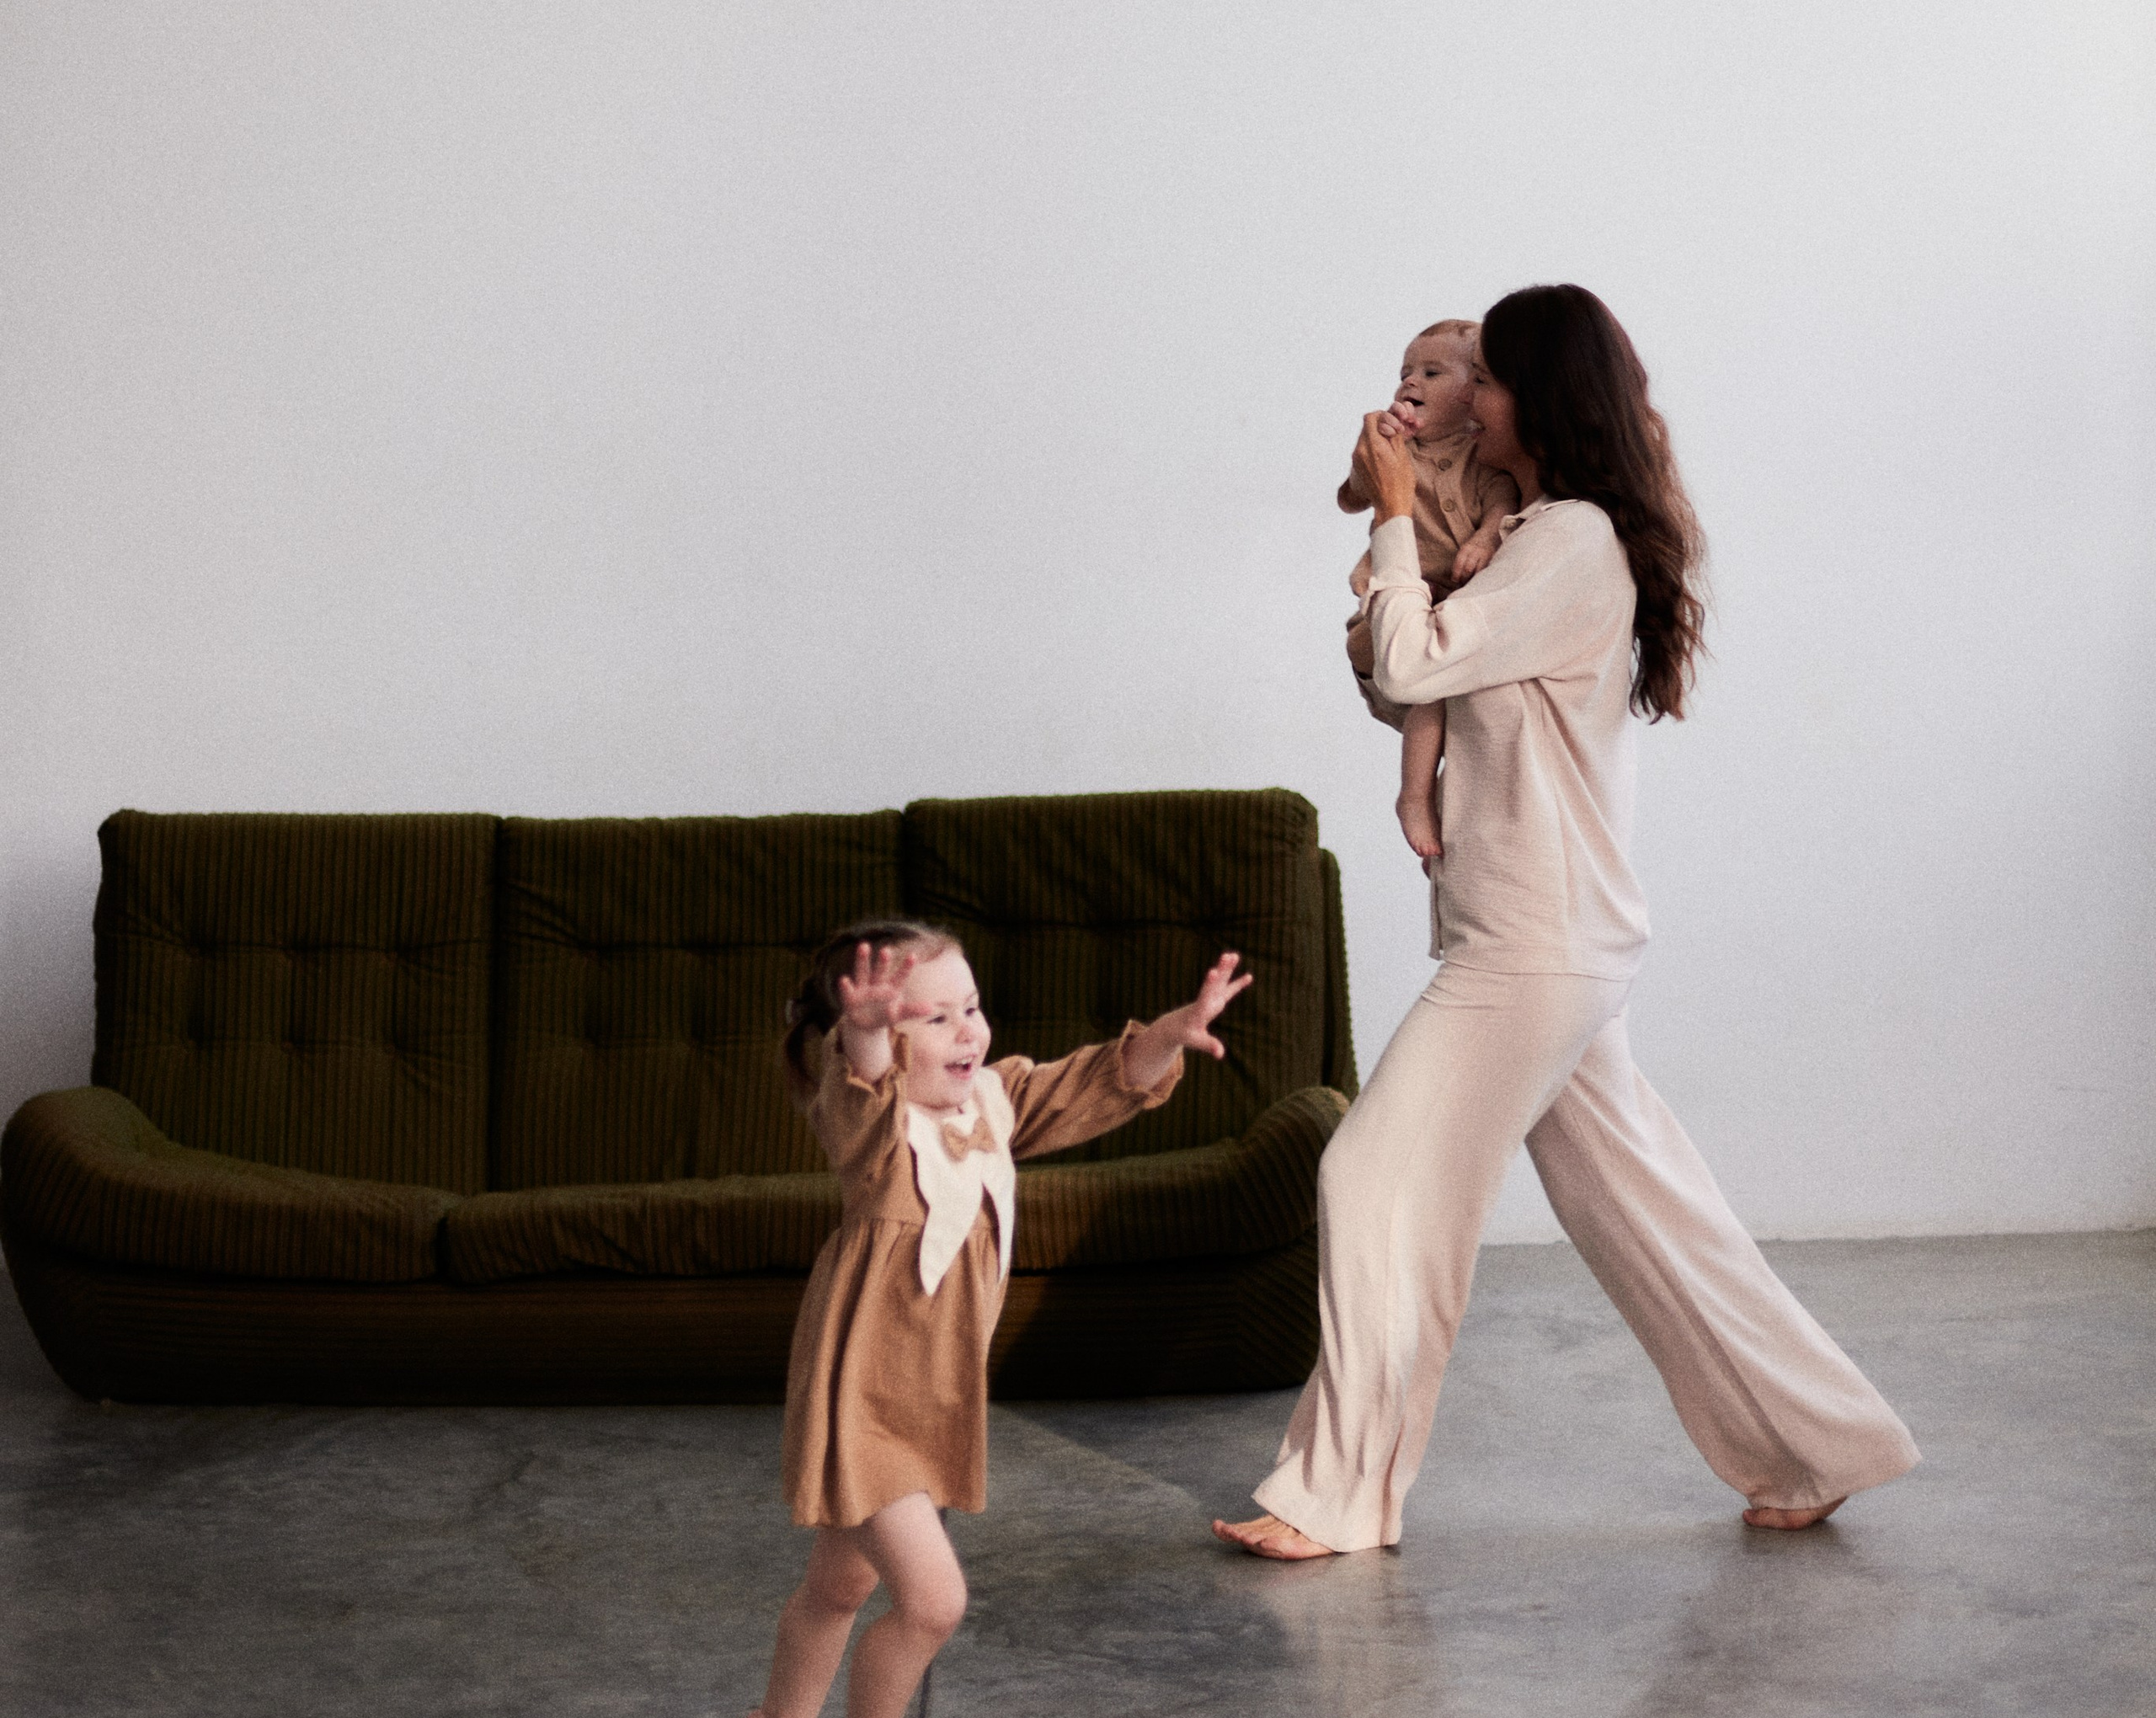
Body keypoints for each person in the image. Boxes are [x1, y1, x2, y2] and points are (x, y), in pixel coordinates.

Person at [1215, 284, 1919, 1561]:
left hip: (1532, 943)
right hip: (1541, 930)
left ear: (1539, 396)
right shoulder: (1526, 535)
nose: (1463, 397)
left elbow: (1417, 664)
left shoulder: (1573, 542)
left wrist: (1387, 529)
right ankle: (1818, 1444)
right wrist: (1401, 571)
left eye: (1486, 379)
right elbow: (1408, 685)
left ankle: (1338, 1497)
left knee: (1372, 1174)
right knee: (1648, 1212)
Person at [752, 921, 1250, 1718]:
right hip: (865, 1404)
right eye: (933, 1019)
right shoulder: (873, 1139)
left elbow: (1101, 1079)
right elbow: (862, 1092)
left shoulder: (993, 1100)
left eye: (972, 1008)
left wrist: (1172, 1034)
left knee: (839, 1582)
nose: (967, 1032)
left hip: (932, 1399)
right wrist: (867, 1036)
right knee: (932, 1603)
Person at [1339, 317, 1519, 860]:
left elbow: (1501, 503)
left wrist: (1487, 538)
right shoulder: (1398, 451)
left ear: (1475, 396)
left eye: (1433, 372)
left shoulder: (1481, 457)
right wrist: (1367, 460)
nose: (1409, 383)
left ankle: (1421, 795)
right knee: (1427, 694)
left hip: (1451, 604)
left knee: (1438, 692)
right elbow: (1350, 499)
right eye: (1405, 372)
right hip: (1402, 599)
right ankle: (1413, 796)